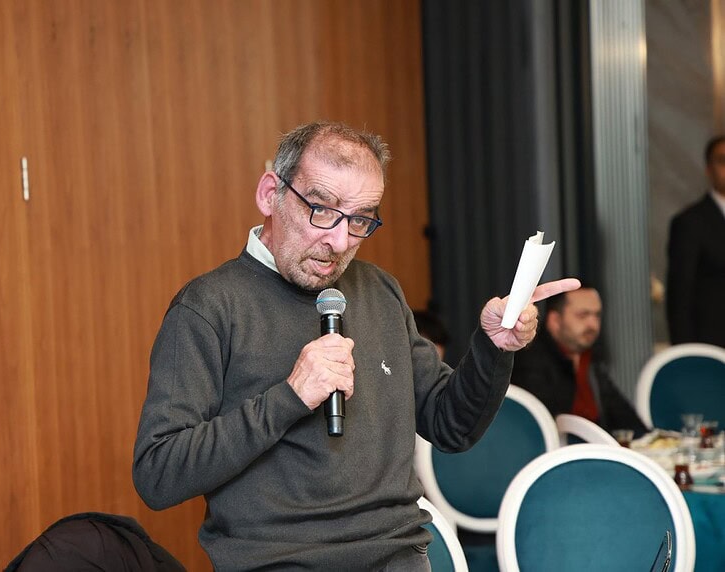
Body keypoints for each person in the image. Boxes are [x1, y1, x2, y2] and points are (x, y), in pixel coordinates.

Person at [132, 121, 579, 571]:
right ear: (270, 194)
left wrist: (493, 347)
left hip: (398, 558)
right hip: (281, 563)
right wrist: (289, 398)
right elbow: (158, 474)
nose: (339, 241)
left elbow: (452, 427)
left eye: (360, 219)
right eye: (321, 210)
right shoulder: (208, 307)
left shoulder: (379, 291)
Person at [511, 284, 648, 436]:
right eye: (583, 315)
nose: (593, 325)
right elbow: (542, 428)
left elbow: (623, 415)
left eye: (597, 315)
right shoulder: (529, 362)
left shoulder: (588, 357)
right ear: (555, 321)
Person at [666, 134, 725, 347]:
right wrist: (686, 353)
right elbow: (680, 295)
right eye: (723, 161)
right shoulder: (690, 222)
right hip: (712, 346)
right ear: (709, 169)